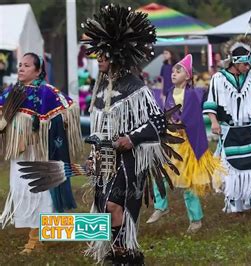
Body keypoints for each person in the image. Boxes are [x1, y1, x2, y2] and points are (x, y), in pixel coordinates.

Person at [80, 4, 182, 264]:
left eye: (103, 54)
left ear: (116, 55)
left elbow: (158, 122)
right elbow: (99, 128)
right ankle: (121, 253)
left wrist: (131, 139)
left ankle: (125, 252)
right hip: (105, 161)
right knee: (105, 208)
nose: (98, 59)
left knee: (115, 206)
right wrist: (93, 155)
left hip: (128, 162)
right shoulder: (101, 87)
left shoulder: (135, 86)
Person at [0, 52, 82, 254]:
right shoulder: (13, 91)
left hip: (40, 153)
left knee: (38, 191)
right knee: (20, 188)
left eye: (27, 66)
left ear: (38, 70)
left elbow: (68, 109)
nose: (21, 68)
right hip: (20, 153)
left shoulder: (47, 93)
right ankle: (34, 233)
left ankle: (35, 238)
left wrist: (45, 128)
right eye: (20, 65)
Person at [146, 54, 224, 233]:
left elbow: (203, 110)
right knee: (161, 175)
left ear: (188, 76)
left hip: (187, 146)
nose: (173, 73)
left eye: (178, 71)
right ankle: (161, 206)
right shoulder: (169, 94)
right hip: (170, 144)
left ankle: (196, 220)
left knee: (188, 184)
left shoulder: (195, 93)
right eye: (172, 71)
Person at [203, 35, 251, 214]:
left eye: (249, 64)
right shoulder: (218, 78)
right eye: (245, 64)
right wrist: (214, 122)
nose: (248, 67)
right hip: (229, 128)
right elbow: (211, 103)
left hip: (250, 127)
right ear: (235, 62)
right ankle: (234, 204)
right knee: (232, 167)